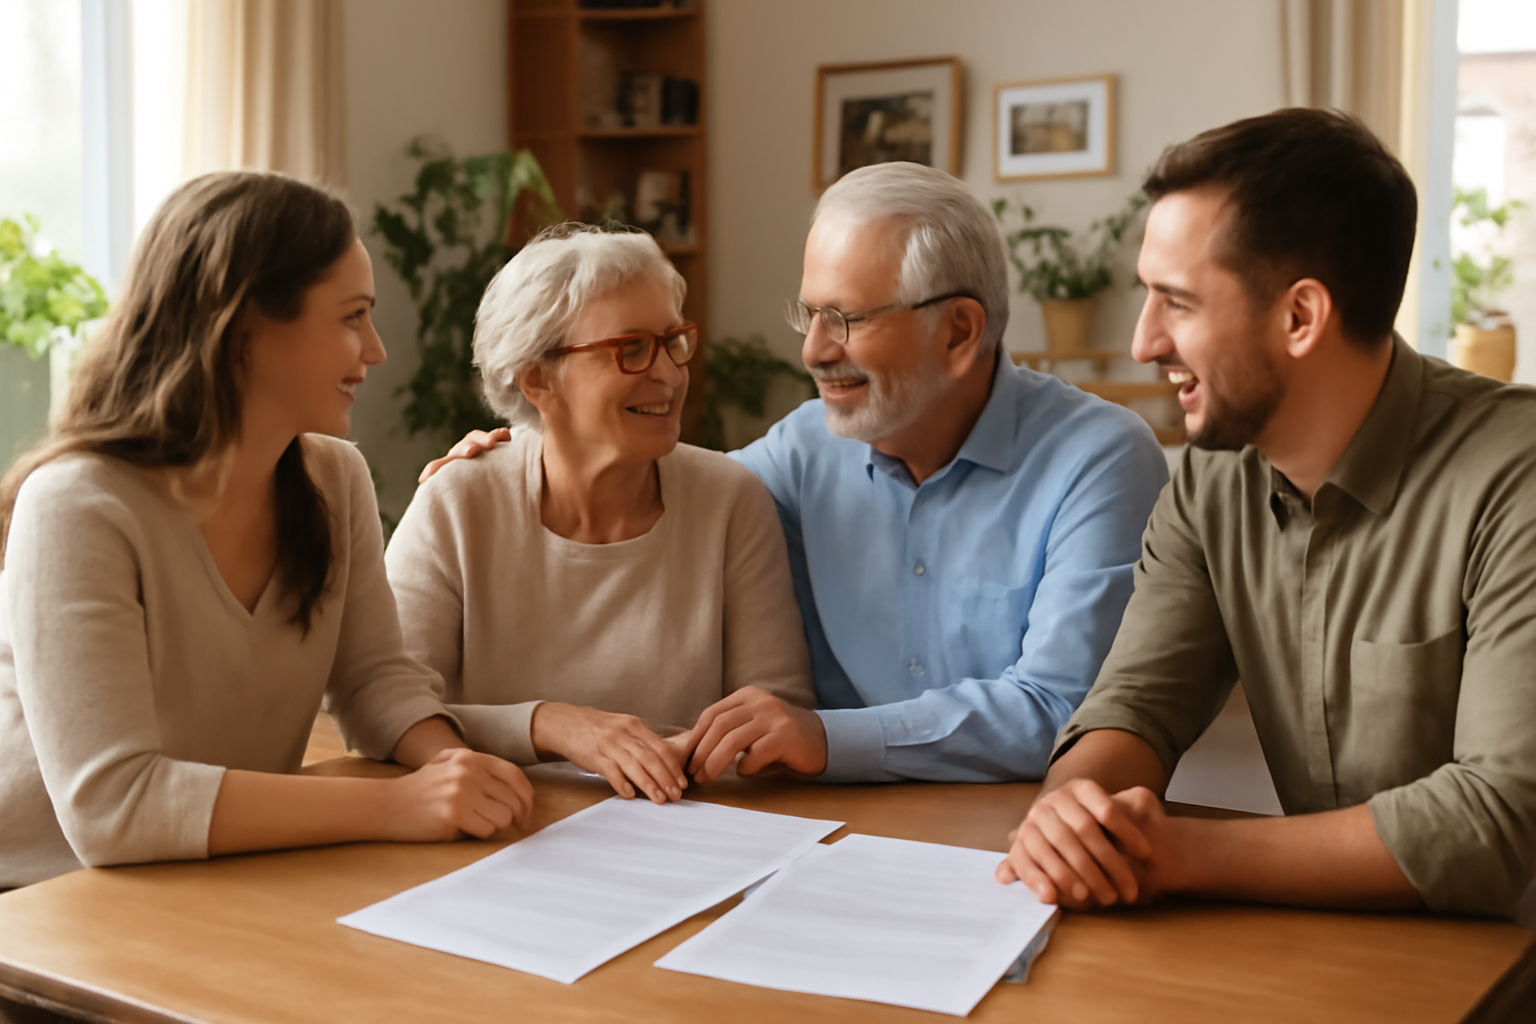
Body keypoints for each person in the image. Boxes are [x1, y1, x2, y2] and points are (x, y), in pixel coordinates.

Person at [423, 163, 1169, 785]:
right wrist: (525, 449)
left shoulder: (1098, 458)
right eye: (809, 314)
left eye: (847, 319)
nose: (813, 351)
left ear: (959, 331)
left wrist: (827, 737)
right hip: (826, 830)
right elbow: (662, 491)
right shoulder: (800, 451)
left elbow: (1063, 711)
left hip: (1024, 830)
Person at [998, 108, 1536, 919]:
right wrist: (1073, 812)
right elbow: (1137, 703)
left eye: (1177, 302)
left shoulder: (1516, 473)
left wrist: (1179, 853)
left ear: (1299, 318)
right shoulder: (1211, 478)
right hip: (1329, 948)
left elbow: (1492, 820)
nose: (1144, 342)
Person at [0, 172, 532, 889]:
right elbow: (114, 807)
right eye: (352, 317)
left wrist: (452, 766)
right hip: (40, 900)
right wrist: (397, 805)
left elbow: (373, 680)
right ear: (244, 327)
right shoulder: (78, 505)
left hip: (217, 874)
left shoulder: (336, 477)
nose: (376, 350)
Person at [384, 225, 813, 806]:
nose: (669, 373)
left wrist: (678, 757)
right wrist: (551, 725)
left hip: (684, 822)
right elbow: (388, 703)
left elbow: (776, 712)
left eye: (673, 341)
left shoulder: (731, 501)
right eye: (630, 349)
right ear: (537, 378)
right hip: (502, 823)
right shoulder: (458, 502)